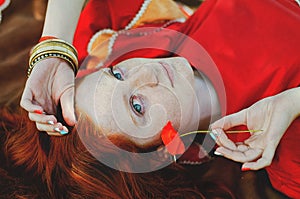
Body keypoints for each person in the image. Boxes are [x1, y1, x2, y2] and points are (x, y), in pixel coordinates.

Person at [18, 0, 300, 198]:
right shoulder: (284, 145)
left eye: (116, 74)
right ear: (163, 152)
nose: (143, 71)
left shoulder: (135, 44)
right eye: (137, 106)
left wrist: (54, 49)